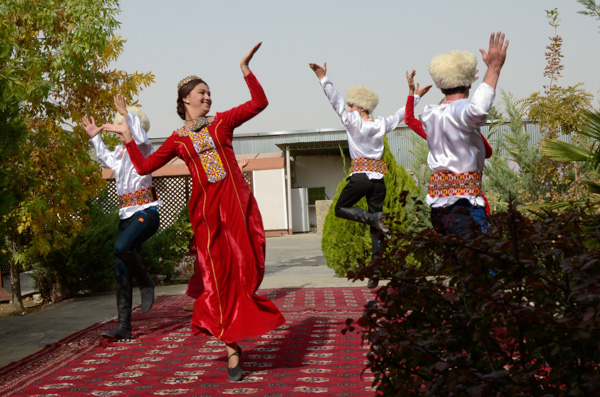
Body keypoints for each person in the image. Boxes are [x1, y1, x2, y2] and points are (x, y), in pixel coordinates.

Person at [101, 42, 285, 382]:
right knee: (218, 281)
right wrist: (128, 135)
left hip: (236, 206)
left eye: (210, 93)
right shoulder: (177, 139)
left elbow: (260, 103)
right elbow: (143, 165)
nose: (209, 98)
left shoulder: (223, 123)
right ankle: (232, 348)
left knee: (245, 273)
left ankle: (239, 323)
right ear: (186, 99)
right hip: (208, 216)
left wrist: (245, 68)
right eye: (203, 93)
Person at [308, 62, 417, 287]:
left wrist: (323, 78)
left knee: (340, 209)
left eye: (350, 105)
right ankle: (375, 272)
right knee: (376, 228)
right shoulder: (380, 124)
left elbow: (334, 100)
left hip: (360, 177)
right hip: (379, 181)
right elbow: (400, 115)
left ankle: (372, 219)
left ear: (358, 106)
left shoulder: (353, 121)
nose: (347, 108)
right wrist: (413, 95)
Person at [81, 94, 161, 341]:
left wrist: (127, 114)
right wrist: (95, 136)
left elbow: (139, 135)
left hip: (146, 213)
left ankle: (146, 283)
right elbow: (106, 159)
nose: (117, 130)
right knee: (120, 267)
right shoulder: (119, 152)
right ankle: (124, 327)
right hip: (126, 216)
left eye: (121, 126)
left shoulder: (144, 147)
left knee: (121, 246)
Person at [420, 31, 508, 238]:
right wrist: (493, 69)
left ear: (440, 87)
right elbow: (476, 110)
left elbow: (451, 105)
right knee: (483, 263)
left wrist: (457, 82)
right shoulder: (462, 112)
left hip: (438, 207)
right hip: (464, 205)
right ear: (469, 83)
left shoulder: (430, 113)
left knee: (459, 263)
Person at [404, 70, 492, 216]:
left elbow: (409, 119)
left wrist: (413, 93)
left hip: (441, 203)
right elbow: (488, 152)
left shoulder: (433, 132)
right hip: (467, 199)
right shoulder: (464, 130)